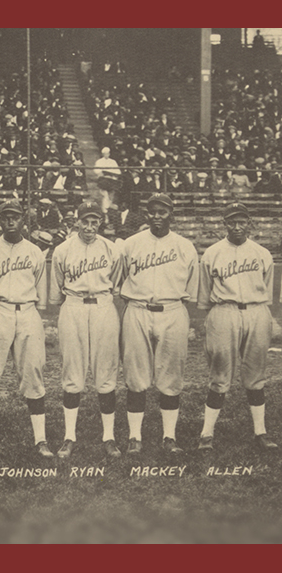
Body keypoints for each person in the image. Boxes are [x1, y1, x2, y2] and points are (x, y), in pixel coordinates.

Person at [0, 199, 51, 459]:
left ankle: (41, 440)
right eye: (5, 217)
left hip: (27, 311)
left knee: (33, 373)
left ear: (23, 219)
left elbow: (40, 290)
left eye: (15, 216)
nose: (10, 221)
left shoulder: (35, 252)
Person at [119, 193, 198, 455]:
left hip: (173, 310)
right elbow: (120, 280)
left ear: (171, 214)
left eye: (162, 212)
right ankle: (134, 436)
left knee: (171, 375)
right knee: (135, 375)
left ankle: (169, 436)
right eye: (152, 211)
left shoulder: (185, 246)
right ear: (146, 214)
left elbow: (191, 289)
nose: (156, 216)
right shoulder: (131, 244)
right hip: (138, 310)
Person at [197, 202, 277, 450]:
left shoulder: (262, 253)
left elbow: (267, 291)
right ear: (225, 224)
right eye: (232, 221)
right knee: (219, 374)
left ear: (249, 224)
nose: (237, 226)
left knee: (256, 375)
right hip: (224, 310)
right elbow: (204, 295)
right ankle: (206, 434)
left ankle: (260, 433)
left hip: (256, 310)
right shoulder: (212, 253)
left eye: (242, 221)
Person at [48, 201, 124, 459]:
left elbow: (117, 281)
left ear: (100, 222)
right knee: (72, 372)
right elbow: (57, 287)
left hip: (103, 306)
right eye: (85, 221)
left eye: (95, 221)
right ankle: (69, 436)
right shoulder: (63, 249)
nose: (90, 226)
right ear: (77, 221)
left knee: (106, 372)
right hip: (73, 306)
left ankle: (109, 436)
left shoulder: (111, 248)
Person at [94, 147, 121, 212]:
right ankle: (105, 211)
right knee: (105, 195)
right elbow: (97, 171)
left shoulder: (113, 161)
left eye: (108, 153)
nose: (106, 155)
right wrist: (103, 174)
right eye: (105, 154)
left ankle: (109, 209)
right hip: (104, 180)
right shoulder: (99, 161)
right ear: (103, 154)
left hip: (112, 180)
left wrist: (112, 174)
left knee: (111, 196)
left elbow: (118, 171)